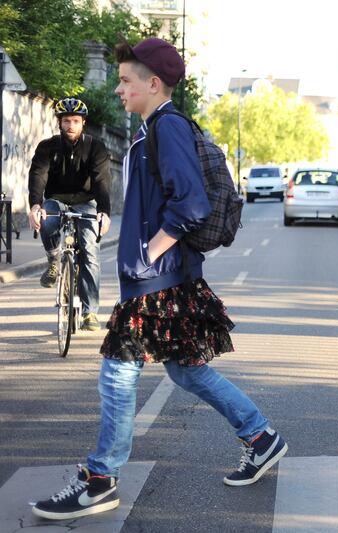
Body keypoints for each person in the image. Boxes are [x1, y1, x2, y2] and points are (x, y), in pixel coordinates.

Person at [31, 37, 287, 521]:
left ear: (152, 83)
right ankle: (260, 436)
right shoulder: (151, 130)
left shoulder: (167, 127)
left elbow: (191, 204)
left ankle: (101, 478)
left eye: (125, 80)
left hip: (159, 281)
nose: (119, 89)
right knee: (186, 369)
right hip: (164, 278)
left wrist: (149, 254)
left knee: (117, 372)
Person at [27, 97, 112, 331]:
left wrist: (104, 212)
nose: (71, 125)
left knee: (90, 252)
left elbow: (102, 180)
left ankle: (90, 312)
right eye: (66, 121)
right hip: (55, 200)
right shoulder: (47, 147)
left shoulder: (96, 147)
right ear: (59, 122)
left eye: (75, 121)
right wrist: (35, 206)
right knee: (46, 222)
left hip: (86, 202)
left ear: (83, 123)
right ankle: (54, 259)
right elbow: (38, 176)